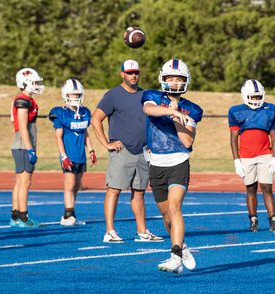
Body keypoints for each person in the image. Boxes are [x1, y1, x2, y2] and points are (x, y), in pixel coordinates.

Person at [91, 60, 162, 243]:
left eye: (136, 72)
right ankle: (110, 231)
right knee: (114, 189)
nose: (133, 75)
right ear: (122, 74)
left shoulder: (145, 94)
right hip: (122, 151)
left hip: (143, 151)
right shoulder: (113, 95)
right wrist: (106, 144)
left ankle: (142, 231)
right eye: (129, 72)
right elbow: (96, 119)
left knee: (139, 192)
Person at [142, 59, 202, 273]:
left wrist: (178, 116)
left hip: (178, 160)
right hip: (156, 163)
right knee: (166, 216)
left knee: (175, 208)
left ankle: (175, 255)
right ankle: (182, 246)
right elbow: (150, 110)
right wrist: (171, 111)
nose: (175, 83)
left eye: (179, 79)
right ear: (163, 79)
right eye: (171, 78)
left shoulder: (192, 109)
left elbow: (187, 142)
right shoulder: (151, 96)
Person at [228, 79, 275, 233]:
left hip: (265, 153)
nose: (256, 100)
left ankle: (273, 220)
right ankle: (253, 220)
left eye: (258, 97)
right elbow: (233, 139)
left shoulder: (270, 109)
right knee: (251, 188)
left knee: (267, 187)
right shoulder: (235, 111)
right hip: (246, 155)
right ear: (245, 96)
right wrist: (236, 160)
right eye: (253, 97)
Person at [49, 78, 97, 226]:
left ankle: (70, 213)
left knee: (76, 185)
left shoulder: (84, 112)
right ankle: (68, 214)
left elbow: (85, 133)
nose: (75, 97)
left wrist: (91, 150)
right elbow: (58, 136)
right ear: (65, 94)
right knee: (69, 185)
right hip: (68, 155)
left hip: (80, 155)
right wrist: (63, 156)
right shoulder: (60, 113)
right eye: (72, 94)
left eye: (77, 94)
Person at [9, 68, 44, 228]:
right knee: (25, 182)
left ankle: (15, 216)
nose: (37, 85)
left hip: (21, 145)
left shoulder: (25, 99)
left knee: (19, 182)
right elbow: (23, 126)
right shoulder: (23, 100)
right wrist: (30, 149)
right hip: (23, 145)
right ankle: (23, 217)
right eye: (34, 82)